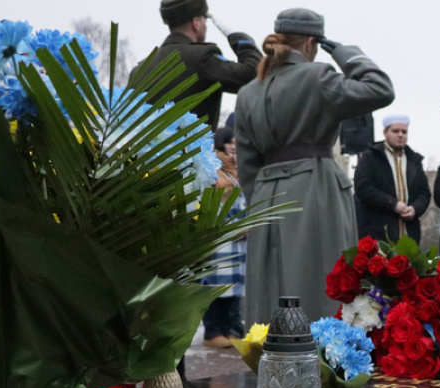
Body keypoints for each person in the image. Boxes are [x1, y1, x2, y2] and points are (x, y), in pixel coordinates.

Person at [235, 8, 394, 324]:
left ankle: (268, 349)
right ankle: (324, 351)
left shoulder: (248, 92)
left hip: (265, 193)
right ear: (311, 42)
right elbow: (381, 89)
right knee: (321, 286)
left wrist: (262, 198)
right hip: (315, 188)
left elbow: (247, 164)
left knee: (269, 289)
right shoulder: (318, 77)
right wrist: (346, 54)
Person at [138, 0, 263, 130]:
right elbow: (253, 74)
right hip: (196, 143)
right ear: (196, 23)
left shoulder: (140, 69)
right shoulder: (202, 58)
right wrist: (241, 39)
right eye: (205, 21)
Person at [201, 127, 247, 348]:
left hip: (238, 241)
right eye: (230, 142)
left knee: (233, 287)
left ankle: (228, 330)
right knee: (215, 286)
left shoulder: (237, 170)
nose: (233, 147)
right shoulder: (214, 169)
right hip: (220, 239)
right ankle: (212, 332)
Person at [353, 115, 431, 244]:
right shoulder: (370, 157)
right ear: (385, 132)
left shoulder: (414, 160)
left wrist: (415, 209)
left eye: (404, 132)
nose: (400, 135)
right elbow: (363, 187)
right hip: (377, 233)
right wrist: (393, 204)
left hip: (409, 234)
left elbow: (424, 192)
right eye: (395, 131)